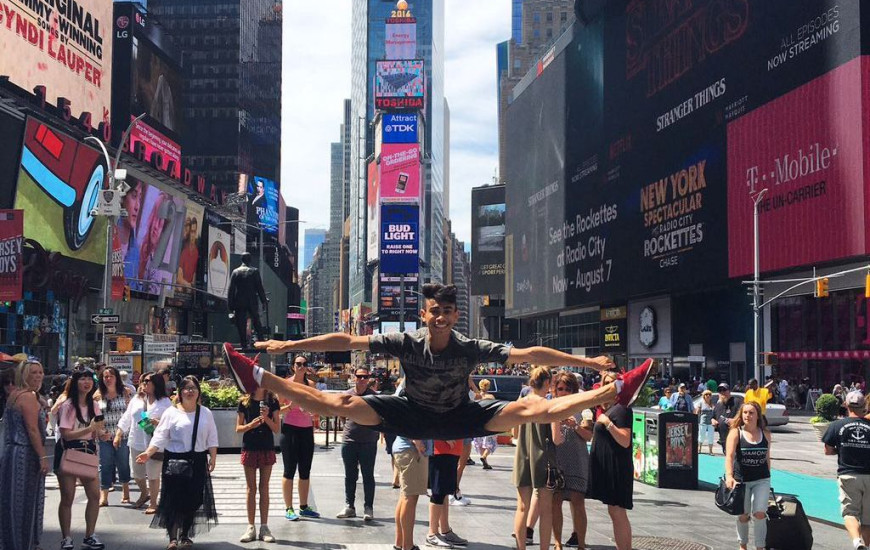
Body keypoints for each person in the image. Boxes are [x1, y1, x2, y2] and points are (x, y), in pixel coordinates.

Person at [223, 283, 653, 443]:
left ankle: (616, 390)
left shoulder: (468, 347)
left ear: (455, 316)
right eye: (435, 311)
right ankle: (257, 377)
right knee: (341, 404)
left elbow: (528, 356)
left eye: (448, 311)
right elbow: (347, 338)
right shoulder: (404, 340)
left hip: (459, 415)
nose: (442, 317)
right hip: (409, 411)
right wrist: (285, 345)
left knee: (530, 412)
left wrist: (592, 364)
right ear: (424, 314)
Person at [137, 375, 219, 550]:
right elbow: (160, 436)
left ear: (198, 392)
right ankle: (173, 538)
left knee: (194, 499)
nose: (190, 391)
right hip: (174, 460)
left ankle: (185, 534)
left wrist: (213, 457)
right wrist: (148, 453)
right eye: (186, 388)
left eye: (193, 388)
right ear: (180, 392)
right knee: (172, 500)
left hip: (197, 460)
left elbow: (212, 437)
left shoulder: (205, 413)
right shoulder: (171, 412)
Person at [0, 359, 49, 550]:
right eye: (33, 372)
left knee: (12, 501)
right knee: (24, 503)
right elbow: (32, 429)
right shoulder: (27, 396)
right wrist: (43, 456)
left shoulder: (16, 394)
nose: (38, 376)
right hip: (24, 454)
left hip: (12, 452)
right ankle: (23, 544)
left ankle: (13, 542)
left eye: (40, 372)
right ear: (24, 374)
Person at [57, 369, 106, 550]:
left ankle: (89, 534)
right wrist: (89, 429)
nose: (86, 382)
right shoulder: (68, 405)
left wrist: (102, 433)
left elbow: (98, 430)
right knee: (67, 497)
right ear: (75, 382)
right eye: (82, 379)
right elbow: (66, 435)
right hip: (71, 452)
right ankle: (66, 537)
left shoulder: (94, 405)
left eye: (89, 379)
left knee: (94, 495)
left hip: (89, 453)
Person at [588, 371, 634, 550]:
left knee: (617, 511)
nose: (608, 385)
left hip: (617, 468)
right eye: (605, 382)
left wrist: (607, 423)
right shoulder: (610, 408)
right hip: (610, 468)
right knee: (614, 511)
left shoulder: (621, 409)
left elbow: (625, 440)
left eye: (612, 382)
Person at [116, 372, 172, 514]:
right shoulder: (137, 399)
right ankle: (144, 493)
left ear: (156, 383)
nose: (144, 383)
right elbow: (127, 417)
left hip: (155, 444)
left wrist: (157, 422)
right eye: (143, 381)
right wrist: (119, 433)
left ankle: (153, 502)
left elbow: (171, 423)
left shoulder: (165, 402)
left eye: (147, 381)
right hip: (136, 441)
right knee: (137, 475)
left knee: (153, 476)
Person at [512, 367, 555, 550]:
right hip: (544, 458)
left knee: (522, 507)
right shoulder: (548, 404)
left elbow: (514, 431)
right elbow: (557, 438)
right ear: (546, 383)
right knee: (545, 510)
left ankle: (521, 547)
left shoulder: (521, 402)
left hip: (523, 456)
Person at [823, 391, 870, 550]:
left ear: (846, 405)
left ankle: (857, 542)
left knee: (850, 513)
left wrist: (841, 449)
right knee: (868, 519)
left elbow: (828, 450)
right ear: (864, 406)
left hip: (848, 474)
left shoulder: (836, 426)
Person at [550, 371, 592, 550]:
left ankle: (581, 543)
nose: (564, 392)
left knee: (578, 500)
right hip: (556, 458)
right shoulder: (550, 407)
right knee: (555, 500)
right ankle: (557, 542)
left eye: (568, 389)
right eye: (560, 389)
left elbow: (589, 436)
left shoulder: (583, 408)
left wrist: (574, 425)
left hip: (577, 459)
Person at [725, 402, 772, 550]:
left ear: (758, 415)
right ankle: (743, 545)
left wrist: (768, 477)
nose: (748, 416)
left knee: (759, 513)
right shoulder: (736, 433)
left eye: (751, 413)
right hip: (742, 481)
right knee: (743, 515)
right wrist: (729, 476)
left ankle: (760, 547)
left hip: (761, 480)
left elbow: (767, 457)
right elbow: (730, 456)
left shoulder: (765, 434)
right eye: (745, 412)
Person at [278, 356, 320, 521]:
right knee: (289, 471)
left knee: (305, 470)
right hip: (290, 431)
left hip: (306, 430)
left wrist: (313, 412)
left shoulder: (311, 385)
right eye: (298, 364)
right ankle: (289, 508)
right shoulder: (285, 384)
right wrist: (289, 407)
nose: (301, 367)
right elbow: (277, 410)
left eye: (304, 364)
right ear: (293, 366)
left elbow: (317, 407)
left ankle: (303, 506)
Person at [236, 387, 280, 543]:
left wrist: (266, 418)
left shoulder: (272, 401)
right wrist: (250, 426)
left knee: (264, 487)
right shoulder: (244, 401)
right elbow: (238, 428)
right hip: (249, 446)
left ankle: (264, 526)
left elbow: (276, 428)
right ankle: (250, 526)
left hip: (267, 446)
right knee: (251, 488)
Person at [337, 367, 380, 521]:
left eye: (365, 377)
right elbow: (342, 415)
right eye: (359, 376)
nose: (362, 379)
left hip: (368, 441)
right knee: (350, 475)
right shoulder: (347, 395)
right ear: (354, 377)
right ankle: (350, 506)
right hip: (349, 441)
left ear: (369, 378)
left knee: (368, 475)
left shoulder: (374, 397)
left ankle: (368, 507)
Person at [94, 366, 133, 506]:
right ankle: (103, 496)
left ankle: (126, 491)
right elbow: (94, 417)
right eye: (105, 377)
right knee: (105, 465)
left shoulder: (126, 393)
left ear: (117, 378)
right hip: (105, 436)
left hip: (122, 435)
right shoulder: (98, 395)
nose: (108, 379)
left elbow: (132, 413)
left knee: (123, 463)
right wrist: (100, 432)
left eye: (111, 376)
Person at [392, 435, 431, 550]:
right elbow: (411, 421)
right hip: (411, 450)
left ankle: (400, 542)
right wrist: (417, 440)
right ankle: (407, 545)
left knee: (405, 496)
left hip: (405, 448)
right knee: (410, 497)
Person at [427, 439, 468, 547]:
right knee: (438, 492)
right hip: (441, 450)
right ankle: (432, 533)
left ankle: (445, 530)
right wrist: (444, 437)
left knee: (444, 491)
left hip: (452, 449)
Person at [471, 379, 498, 470]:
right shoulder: (491, 397)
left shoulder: (477, 397)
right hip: (488, 421)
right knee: (490, 443)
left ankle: (485, 460)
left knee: (480, 442)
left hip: (478, 422)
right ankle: (484, 456)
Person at [712, 383, 740, 454]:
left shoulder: (736, 402)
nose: (722, 392)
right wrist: (713, 421)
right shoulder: (718, 405)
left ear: (729, 391)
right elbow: (713, 417)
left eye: (724, 390)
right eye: (720, 390)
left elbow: (742, 416)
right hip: (723, 439)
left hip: (735, 438)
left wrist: (734, 420)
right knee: (727, 456)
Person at [695, 390, 716, 455]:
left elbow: (715, 412)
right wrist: (695, 419)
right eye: (706, 394)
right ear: (704, 396)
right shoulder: (701, 403)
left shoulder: (712, 403)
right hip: (703, 422)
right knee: (701, 436)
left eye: (709, 395)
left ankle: (710, 451)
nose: (708, 396)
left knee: (711, 436)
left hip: (711, 422)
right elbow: (697, 412)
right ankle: (699, 449)